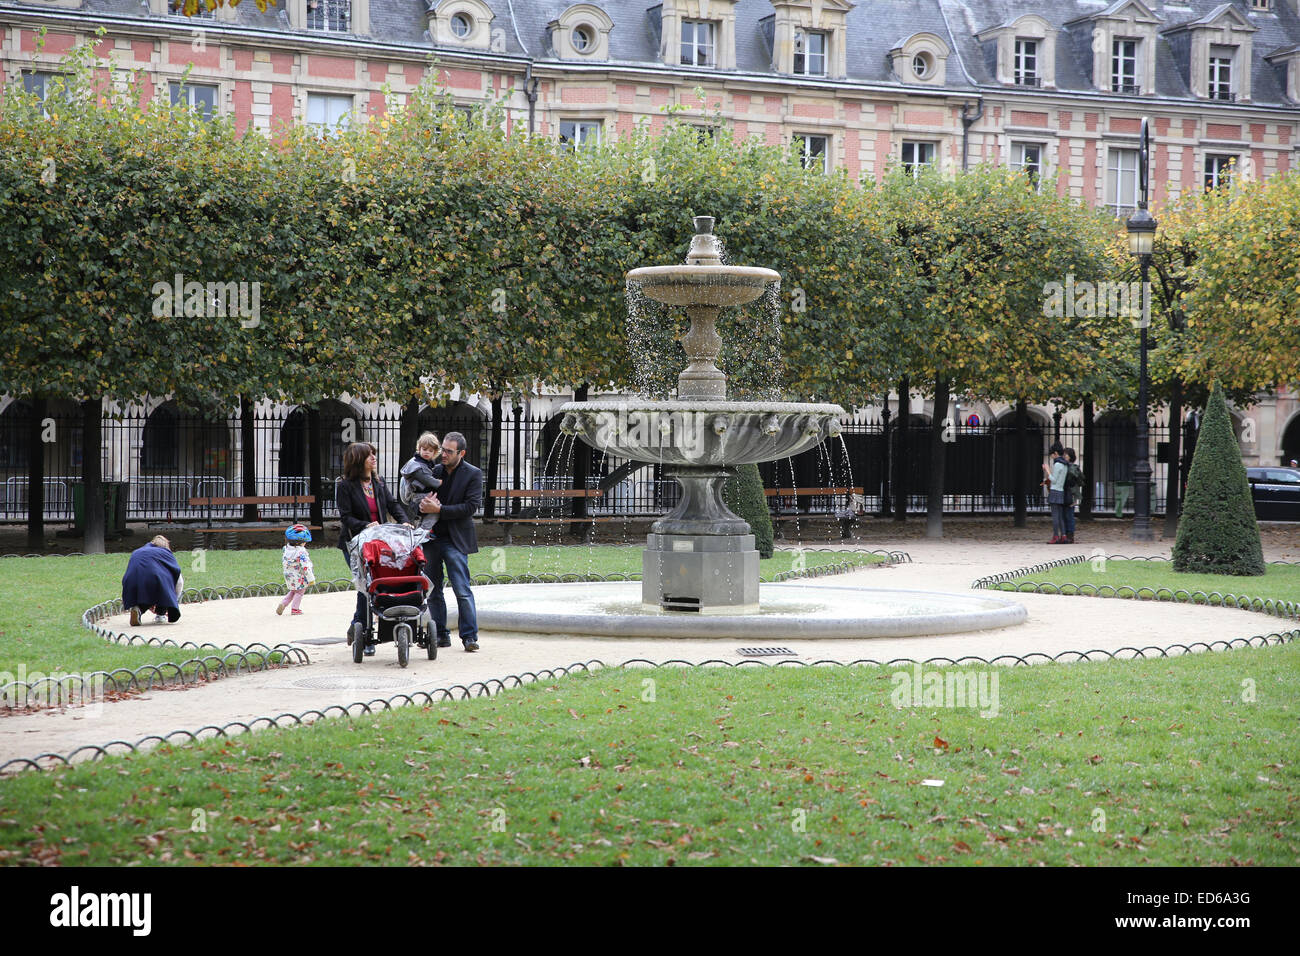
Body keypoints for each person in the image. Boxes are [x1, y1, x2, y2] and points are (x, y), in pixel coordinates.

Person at [336, 441, 410, 655]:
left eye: (374, 454)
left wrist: (404, 521)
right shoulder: (345, 486)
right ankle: (366, 634)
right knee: (364, 587)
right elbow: (346, 516)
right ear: (359, 460)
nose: (374, 458)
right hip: (356, 542)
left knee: (375, 585)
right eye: (370, 455)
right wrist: (365, 525)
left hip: (377, 541)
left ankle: (357, 625)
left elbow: (393, 504)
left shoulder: (378, 482)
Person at [418, 431, 482, 652]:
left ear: (461, 453)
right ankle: (442, 635)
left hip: (455, 540)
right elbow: (419, 499)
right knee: (433, 590)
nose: (442, 454)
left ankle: (469, 637)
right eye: (442, 449)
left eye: (448, 451)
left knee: (462, 589)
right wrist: (422, 505)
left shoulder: (473, 474)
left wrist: (440, 509)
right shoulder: (433, 470)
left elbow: (470, 507)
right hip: (431, 538)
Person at [122, 535, 183, 627]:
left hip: (130, 581)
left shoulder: (138, 551)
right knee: (162, 587)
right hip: (153, 580)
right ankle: (160, 614)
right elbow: (179, 580)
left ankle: (138, 609)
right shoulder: (166, 553)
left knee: (151, 589)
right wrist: (173, 600)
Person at [399, 431, 443, 532]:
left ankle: (422, 530)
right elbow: (427, 480)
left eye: (430, 450)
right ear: (419, 449)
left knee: (428, 512)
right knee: (436, 510)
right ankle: (424, 531)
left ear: (435, 452)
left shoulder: (426, 463)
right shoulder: (417, 465)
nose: (427, 452)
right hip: (419, 496)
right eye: (424, 449)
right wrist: (439, 482)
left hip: (423, 494)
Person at [277, 524, 316, 616]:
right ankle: (295, 609)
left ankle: (284, 603)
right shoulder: (301, 552)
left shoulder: (286, 549)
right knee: (300, 592)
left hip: (289, 575)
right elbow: (305, 566)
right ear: (299, 542)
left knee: (294, 590)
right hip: (299, 576)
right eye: (304, 542)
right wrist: (311, 579)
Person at [1043, 442, 1069, 544]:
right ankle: (1063, 536)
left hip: (1055, 491)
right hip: (1061, 491)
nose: (1052, 457)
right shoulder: (1065, 464)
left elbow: (1053, 480)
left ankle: (1055, 536)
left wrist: (1048, 471)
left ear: (1056, 453)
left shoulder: (1058, 464)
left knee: (1055, 516)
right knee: (1060, 515)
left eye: (1052, 455)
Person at [1062, 447, 1084, 545]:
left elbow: (1073, 484)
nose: (1064, 456)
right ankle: (1068, 535)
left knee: (1069, 515)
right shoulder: (1069, 467)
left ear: (1069, 456)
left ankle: (1069, 535)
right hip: (1068, 494)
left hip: (1069, 494)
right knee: (1067, 515)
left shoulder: (1070, 468)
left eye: (1065, 455)